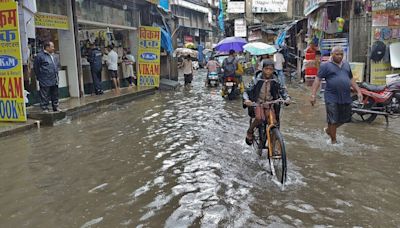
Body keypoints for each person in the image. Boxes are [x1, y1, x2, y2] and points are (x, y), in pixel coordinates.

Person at [310, 46, 363, 144]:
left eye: (341, 54)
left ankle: (329, 130)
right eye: (337, 54)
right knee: (333, 119)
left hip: (345, 96)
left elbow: (351, 79)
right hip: (331, 96)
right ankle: (334, 141)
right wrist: (313, 95)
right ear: (332, 54)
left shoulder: (346, 65)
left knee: (346, 118)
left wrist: (358, 91)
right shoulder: (325, 66)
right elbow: (317, 80)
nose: (339, 56)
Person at [243, 59, 290, 145]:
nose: (268, 71)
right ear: (262, 69)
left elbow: (282, 90)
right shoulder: (256, 79)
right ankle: (250, 131)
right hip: (258, 103)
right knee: (259, 118)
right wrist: (246, 100)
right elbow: (246, 91)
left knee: (274, 123)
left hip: (270, 104)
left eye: (271, 69)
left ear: (273, 70)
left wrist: (287, 98)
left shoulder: (276, 80)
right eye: (266, 69)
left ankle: (273, 145)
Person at [34, 41, 61, 112]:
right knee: (44, 94)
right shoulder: (40, 56)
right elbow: (36, 68)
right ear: (47, 47)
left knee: (55, 93)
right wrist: (39, 77)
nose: (53, 48)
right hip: (44, 78)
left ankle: (55, 106)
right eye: (52, 47)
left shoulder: (54, 56)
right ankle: (45, 107)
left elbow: (57, 66)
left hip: (54, 78)